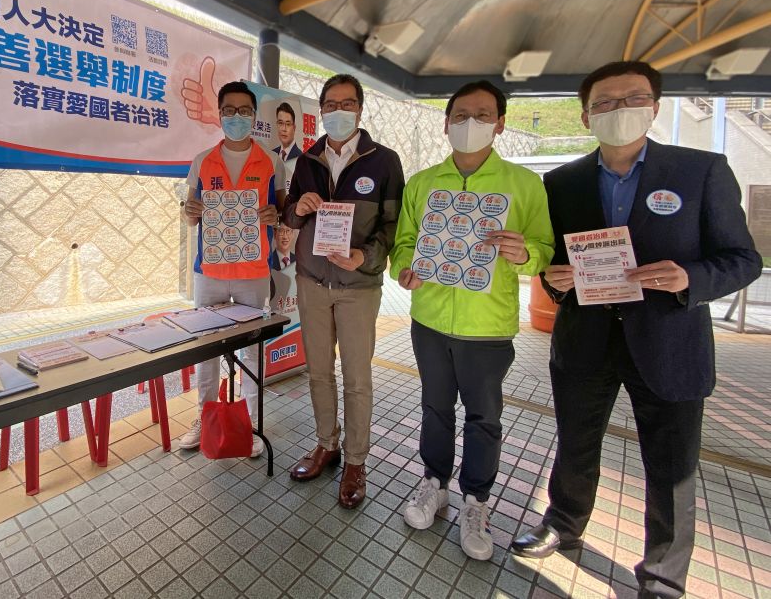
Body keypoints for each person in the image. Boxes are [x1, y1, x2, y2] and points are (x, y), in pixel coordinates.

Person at [509, 61, 762, 598]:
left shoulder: (700, 171)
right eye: (604, 102)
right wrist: (554, 279)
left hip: (669, 343)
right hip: (585, 340)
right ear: (585, 116)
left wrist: (689, 278)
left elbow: (743, 259)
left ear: (654, 107)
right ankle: (563, 522)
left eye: (632, 99)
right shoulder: (562, 182)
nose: (618, 110)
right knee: (575, 442)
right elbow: (554, 259)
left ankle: (663, 574)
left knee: (671, 465)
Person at [389, 81, 554, 560]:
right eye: (461, 115)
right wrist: (405, 269)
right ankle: (434, 483)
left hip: (488, 327)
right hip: (429, 320)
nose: (470, 123)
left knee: (484, 417)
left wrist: (525, 253)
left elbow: (544, 249)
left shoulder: (524, 184)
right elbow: (404, 243)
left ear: (500, 124)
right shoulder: (423, 183)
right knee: (435, 407)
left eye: (482, 115)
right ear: (446, 124)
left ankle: (476, 501)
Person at [283, 73, 405, 508]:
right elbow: (290, 218)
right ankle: (326, 444)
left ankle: (355, 461)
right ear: (321, 111)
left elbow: (394, 227)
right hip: (312, 282)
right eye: (330, 105)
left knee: (356, 378)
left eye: (347, 103)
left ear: (360, 109)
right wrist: (297, 208)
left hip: (358, 286)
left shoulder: (384, 161)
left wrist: (364, 257)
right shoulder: (308, 161)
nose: (338, 111)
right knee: (318, 371)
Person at [179, 81, 286, 457]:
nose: (236, 117)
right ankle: (204, 418)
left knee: (252, 352)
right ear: (219, 114)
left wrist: (275, 214)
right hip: (210, 272)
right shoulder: (202, 161)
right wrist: (190, 211)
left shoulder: (271, 162)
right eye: (229, 110)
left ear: (254, 117)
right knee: (206, 351)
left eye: (244, 111)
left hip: (254, 273)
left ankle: (251, 425)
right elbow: (190, 213)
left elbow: (283, 208)